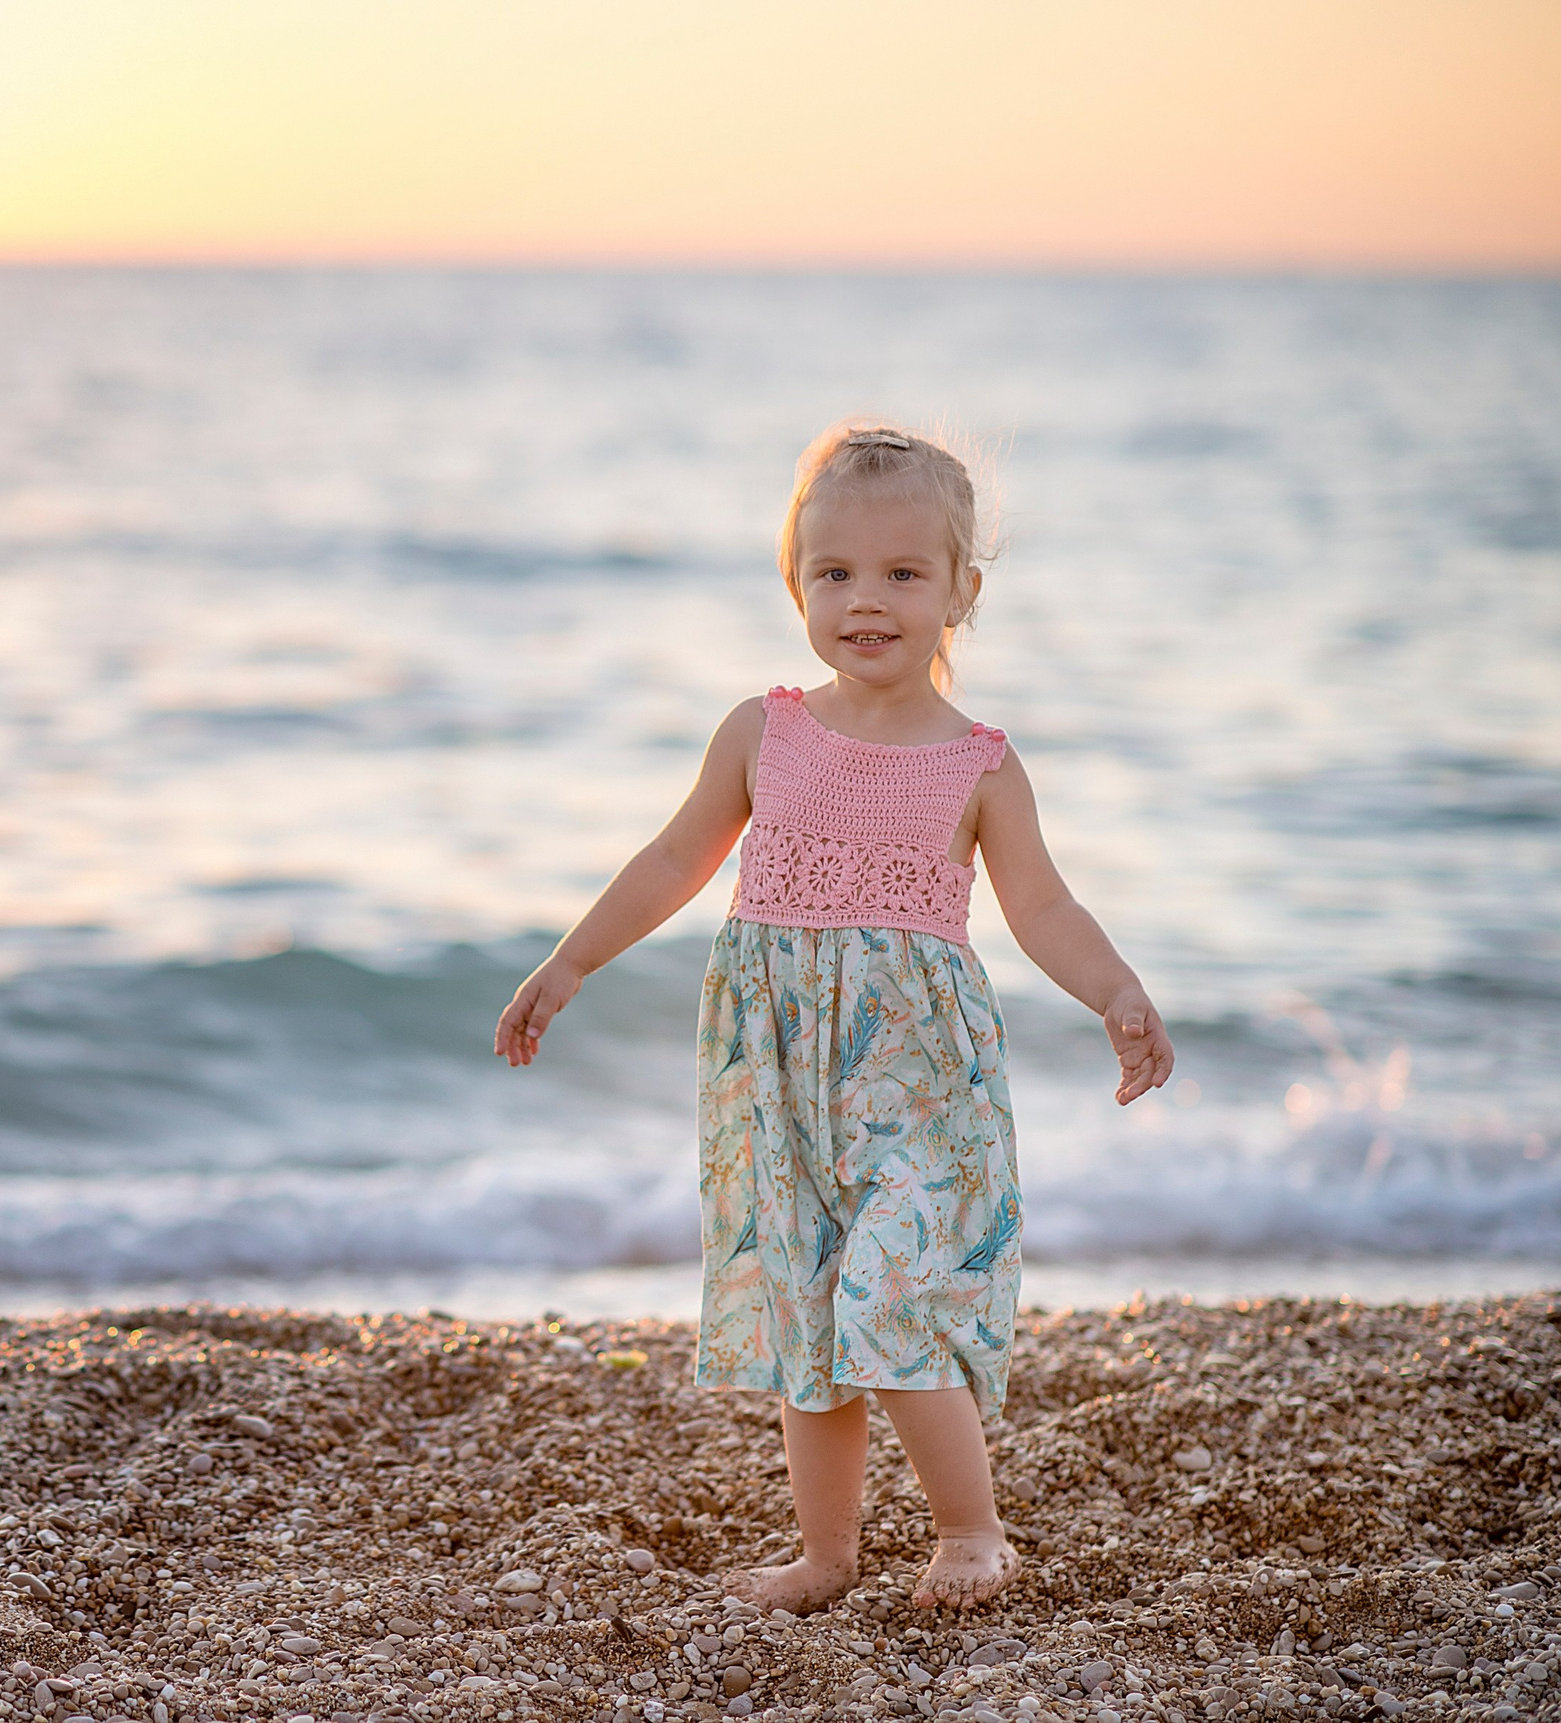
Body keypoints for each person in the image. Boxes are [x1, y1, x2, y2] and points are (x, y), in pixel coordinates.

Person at [492, 422, 1174, 1613]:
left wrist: (1116, 991)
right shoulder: (763, 733)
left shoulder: (978, 765)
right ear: (793, 581)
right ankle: (826, 1555)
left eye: (905, 573)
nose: (868, 600)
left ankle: (970, 1532)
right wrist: (569, 964)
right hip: (777, 1073)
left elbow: (1044, 904)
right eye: (835, 573)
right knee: (810, 1321)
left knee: (893, 1291)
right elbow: (671, 858)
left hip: (917, 1080)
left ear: (962, 590)